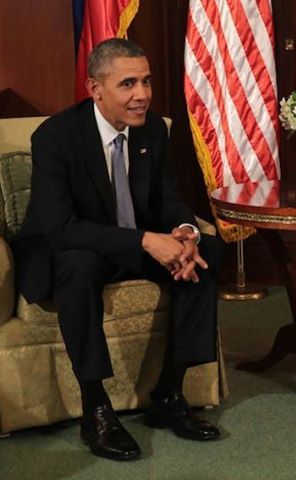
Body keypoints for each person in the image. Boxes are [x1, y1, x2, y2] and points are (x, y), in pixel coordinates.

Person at [11, 38, 224, 461]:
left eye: (146, 82)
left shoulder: (153, 130)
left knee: (208, 252)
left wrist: (184, 233)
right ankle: (97, 408)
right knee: (79, 266)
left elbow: (168, 198)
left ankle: (169, 394)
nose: (142, 94)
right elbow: (60, 229)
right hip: (71, 248)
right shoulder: (55, 137)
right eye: (128, 84)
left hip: (127, 245)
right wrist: (146, 240)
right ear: (95, 88)